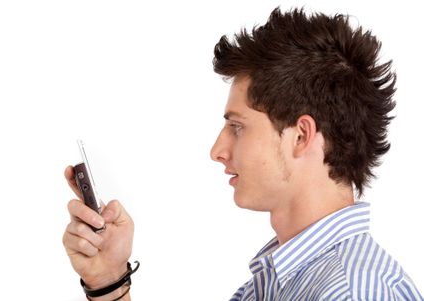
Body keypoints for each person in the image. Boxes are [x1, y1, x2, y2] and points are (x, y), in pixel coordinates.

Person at [62, 7, 423, 301]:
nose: (217, 151)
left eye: (237, 127)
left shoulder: (352, 292)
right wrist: (109, 281)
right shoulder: (274, 284)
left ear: (300, 136)